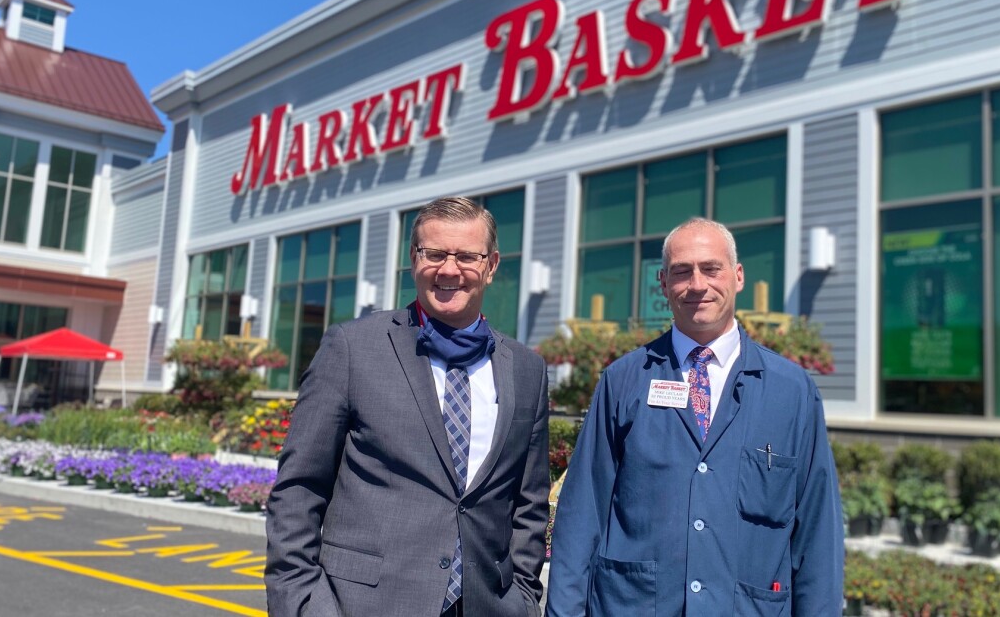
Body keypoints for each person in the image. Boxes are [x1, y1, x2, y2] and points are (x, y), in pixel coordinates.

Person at [266, 197, 551, 617]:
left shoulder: (526, 369)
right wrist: (304, 605)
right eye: (434, 254)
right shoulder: (352, 348)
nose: (449, 270)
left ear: (491, 265)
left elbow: (528, 503)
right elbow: (298, 489)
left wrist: (522, 599)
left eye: (466, 256)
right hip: (362, 605)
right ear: (412, 260)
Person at [546, 217, 843, 616]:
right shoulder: (623, 381)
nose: (698, 284)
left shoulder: (792, 392)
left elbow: (817, 531)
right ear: (663, 284)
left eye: (711, 268)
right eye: (682, 272)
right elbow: (582, 514)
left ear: (737, 277)